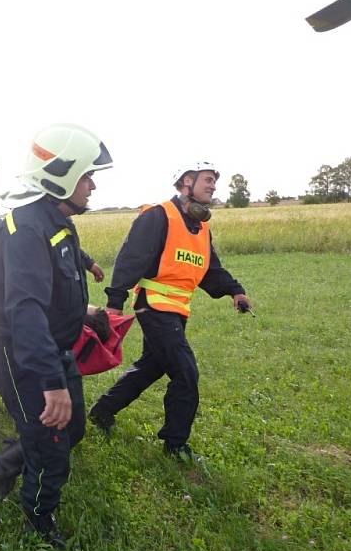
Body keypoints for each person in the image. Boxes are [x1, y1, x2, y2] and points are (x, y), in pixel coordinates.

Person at [0, 123, 114, 548]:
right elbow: (26, 311)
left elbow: (52, 287)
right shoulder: (26, 229)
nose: (92, 186)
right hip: (24, 357)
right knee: (51, 442)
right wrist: (52, 385)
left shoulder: (56, 220)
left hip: (53, 349)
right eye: (87, 176)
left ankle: (0, 465)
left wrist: (85, 312)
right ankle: (38, 519)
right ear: (62, 175)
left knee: (71, 431)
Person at [88, 162, 252, 462]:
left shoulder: (201, 227)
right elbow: (131, 258)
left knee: (152, 366)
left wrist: (235, 290)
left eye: (215, 181)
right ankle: (175, 444)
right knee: (185, 372)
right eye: (207, 179)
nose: (213, 185)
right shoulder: (158, 215)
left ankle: (102, 411)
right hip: (153, 305)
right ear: (186, 182)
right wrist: (115, 299)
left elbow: (210, 268)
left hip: (176, 310)